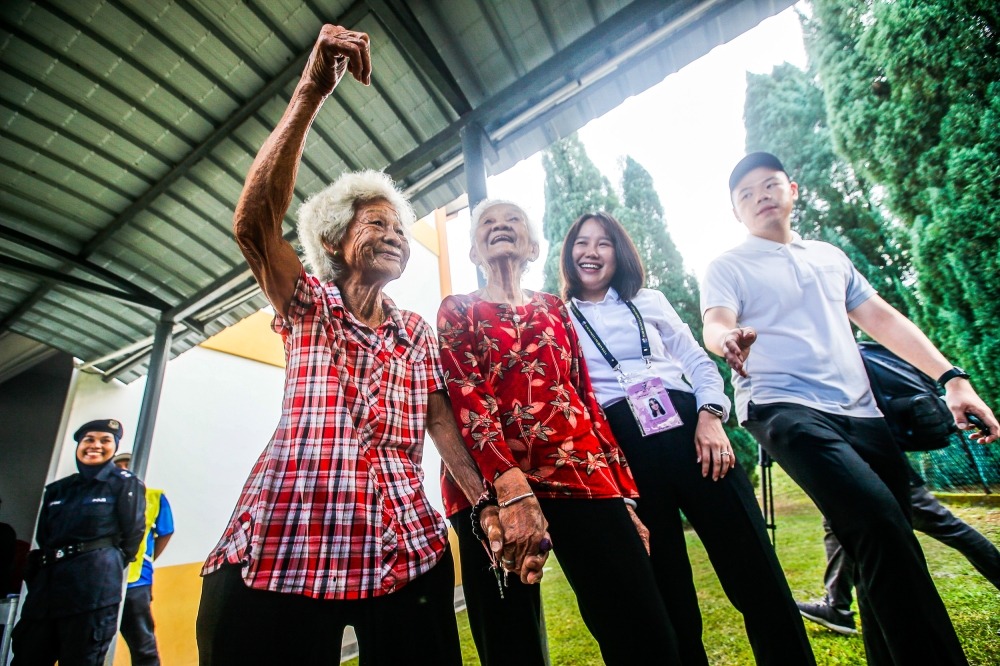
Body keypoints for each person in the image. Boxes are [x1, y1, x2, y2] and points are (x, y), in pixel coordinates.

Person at [196, 26, 544, 666]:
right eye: (375, 223)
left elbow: (441, 423)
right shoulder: (310, 304)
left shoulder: (415, 330)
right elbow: (252, 226)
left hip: (402, 544)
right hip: (291, 535)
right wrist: (308, 93)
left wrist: (485, 504)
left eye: (401, 229)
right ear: (333, 240)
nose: (395, 236)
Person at [701, 151, 999, 666]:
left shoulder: (830, 256)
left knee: (881, 546)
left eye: (769, 185)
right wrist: (726, 339)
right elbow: (715, 321)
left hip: (864, 414)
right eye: (746, 195)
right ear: (736, 214)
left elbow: (881, 319)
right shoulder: (728, 265)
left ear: (793, 190)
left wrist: (953, 380)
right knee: (881, 527)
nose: (760, 197)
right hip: (783, 408)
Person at [562, 211, 814, 666]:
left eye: (603, 243)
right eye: (582, 242)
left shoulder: (649, 300)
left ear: (619, 253)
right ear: (568, 252)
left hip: (693, 435)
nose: (591, 252)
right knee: (668, 592)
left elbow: (697, 362)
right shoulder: (559, 316)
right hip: (625, 449)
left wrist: (712, 415)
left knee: (756, 572)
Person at [438, 199, 683, 666]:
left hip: (581, 471)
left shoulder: (556, 309)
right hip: (491, 486)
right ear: (472, 251)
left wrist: (624, 494)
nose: (501, 227)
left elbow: (586, 399)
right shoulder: (457, 310)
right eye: (488, 223)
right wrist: (507, 491)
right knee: (511, 642)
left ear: (532, 248)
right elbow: (466, 397)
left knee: (642, 628)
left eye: (514, 222)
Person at [798, 459, 1000, 635]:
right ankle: (837, 607)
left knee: (946, 526)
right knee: (838, 524)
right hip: (850, 469)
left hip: (874, 463)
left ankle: (836, 607)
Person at [11, 419, 146, 666]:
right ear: (79, 444)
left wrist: (102, 560)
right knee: (27, 655)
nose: (95, 445)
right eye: (89, 439)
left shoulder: (124, 484)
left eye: (105, 440)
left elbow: (133, 534)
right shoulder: (58, 490)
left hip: (92, 593)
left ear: (114, 447)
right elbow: (45, 536)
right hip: (47, 594)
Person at [112, 453, 174, 666]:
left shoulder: (154, 497)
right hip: (101, 580)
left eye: (127, 465)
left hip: (137, 581)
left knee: (142, 644)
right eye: (118, 466)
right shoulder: (104, 495)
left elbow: (166, 532)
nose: (123, 470)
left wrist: (148, 558)